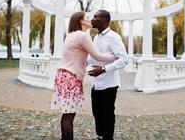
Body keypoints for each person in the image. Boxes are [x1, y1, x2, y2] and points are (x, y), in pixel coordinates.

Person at [51, 11, 116, 140]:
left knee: (67, 114)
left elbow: (80, 57)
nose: (91, 20)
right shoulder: (82, 36)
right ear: (81, 21)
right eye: (87, 18)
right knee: (69, 116)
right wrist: (115, 57)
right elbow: (97, 56)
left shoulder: (70, 35)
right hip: (71, 78)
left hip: (63, 76)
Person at [88, 10, 129, 140]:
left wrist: (104, 69)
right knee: (97, 113)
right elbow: (93, 57)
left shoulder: (114, 37)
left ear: (104, 20)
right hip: (96, 84)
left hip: (109, 84)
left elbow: (123, 59)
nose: (92, 19)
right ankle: (100, 136)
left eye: (95, 17)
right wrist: (86, 63)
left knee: (107, 115)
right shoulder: (96, 37)